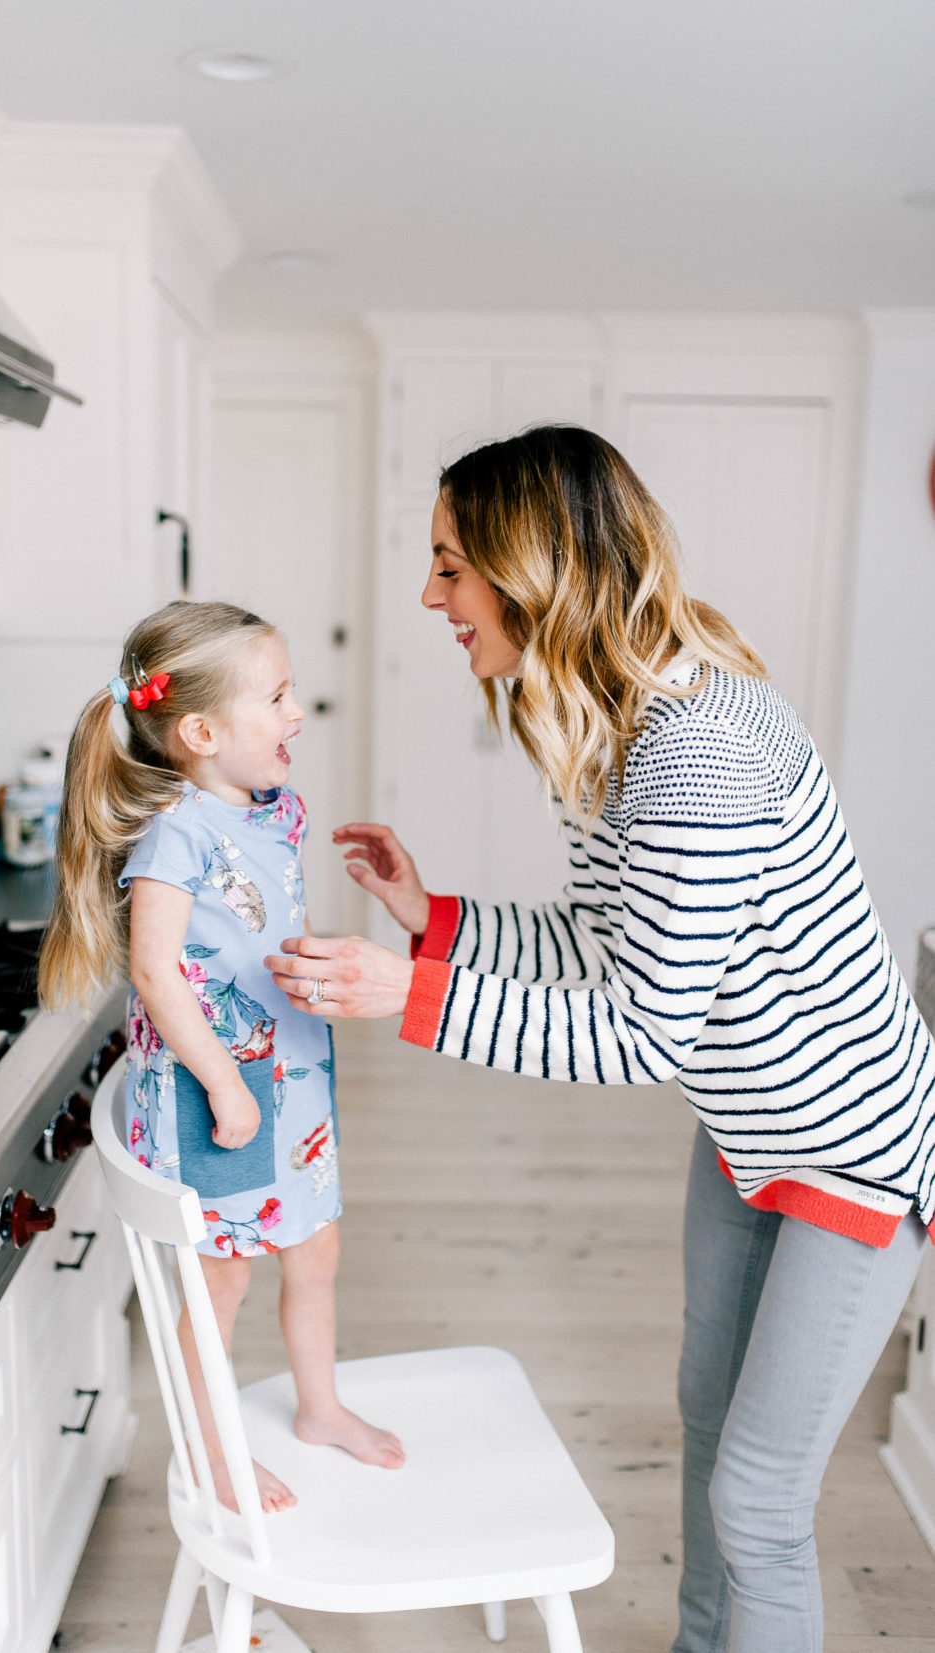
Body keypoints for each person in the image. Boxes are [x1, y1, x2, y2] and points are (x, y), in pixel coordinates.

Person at [265, 427, 935, 1652]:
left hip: (848, 1151)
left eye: (450, 565)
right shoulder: (605, 723)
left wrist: (401, 996)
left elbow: (641, 1035)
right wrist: (434, 925)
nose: (430, 596)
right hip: (745, 1130)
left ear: (534, 568)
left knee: (758, 1498)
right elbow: (607, 948)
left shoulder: (694, 748)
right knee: (701, 1415)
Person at [39, 600, 404, 1515]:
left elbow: (251, 928)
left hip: (292, 1082)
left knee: (315, 1251)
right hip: (221, 1094)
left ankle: (318, 1408)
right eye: (276, 697)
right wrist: (226, 1083)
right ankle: (208, 1453)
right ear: (200, 731)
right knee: (225, 1277)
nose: (294, 714)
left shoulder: (266, 811)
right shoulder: (175, 835)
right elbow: (157, 973)